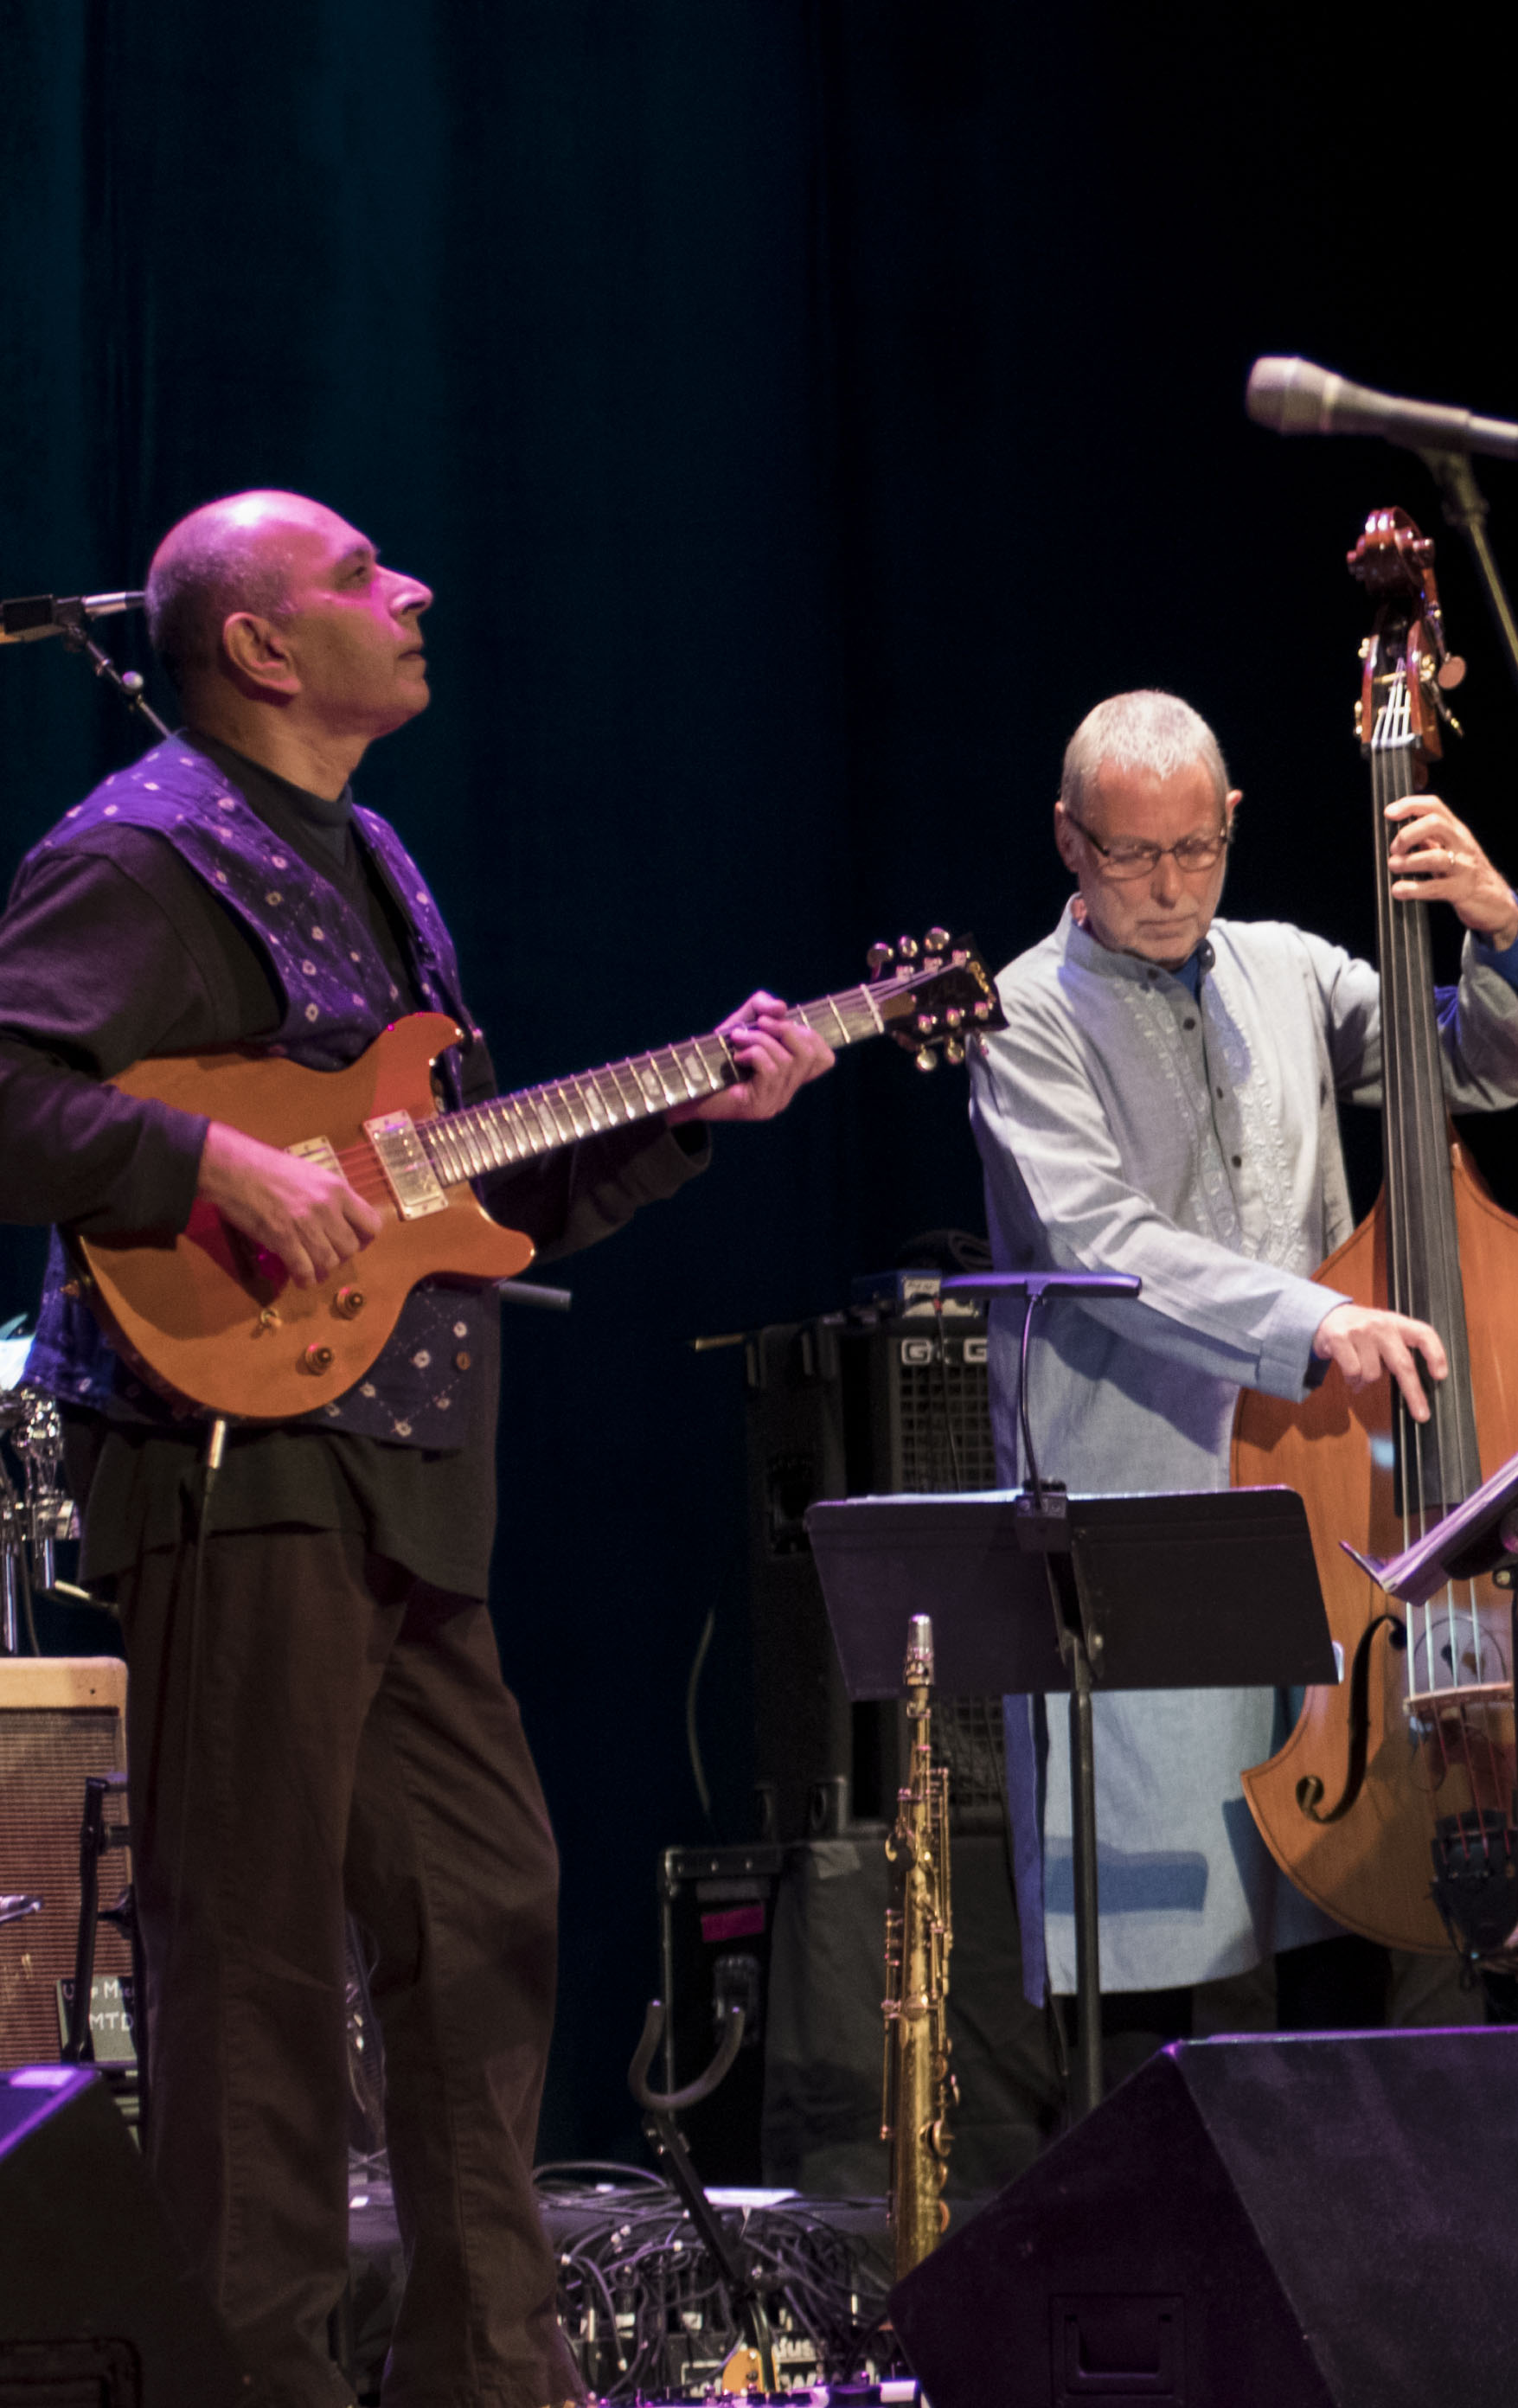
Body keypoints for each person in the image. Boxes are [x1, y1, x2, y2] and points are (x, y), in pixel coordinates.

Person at [0, 490, 832, 2405]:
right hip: (234, 1471)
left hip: (402, 1484)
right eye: (366, 576)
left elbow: (454, 1199)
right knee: (260, 1984)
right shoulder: (141, 856)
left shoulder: (366, 852)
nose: (418, 588)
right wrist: (198, 1156)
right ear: (263, 651)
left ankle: (496, 2378)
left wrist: (710, 1100)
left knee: (484, 1926)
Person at [964, 688, 1518, 2069]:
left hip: (1317, 1495)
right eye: (1129, 856)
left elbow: (1473, 1067)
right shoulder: (1023, 1017)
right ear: (1067, 841)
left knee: (1338, 1889)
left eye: (1193, 852)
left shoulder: (1289, 968)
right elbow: (1100, 1240)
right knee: (1151, 1920)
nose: (1166, 888)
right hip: (1141, 1497)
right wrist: (1312, 1318)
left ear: (1232, 827)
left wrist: (1498, 927)